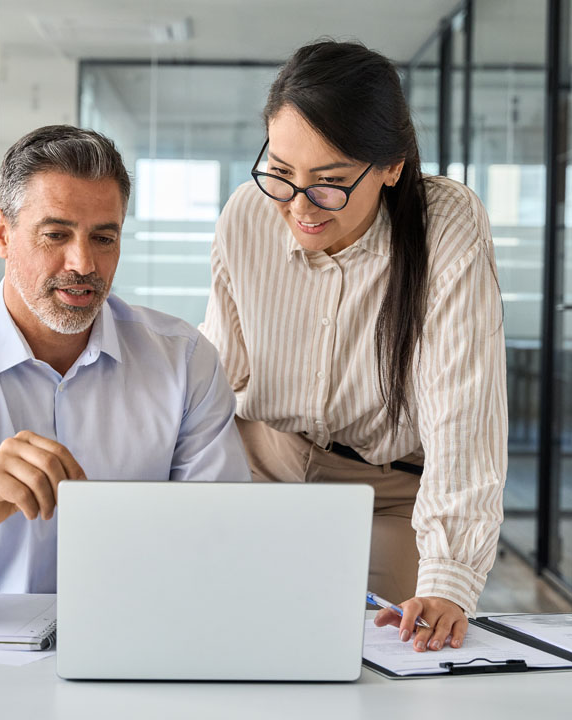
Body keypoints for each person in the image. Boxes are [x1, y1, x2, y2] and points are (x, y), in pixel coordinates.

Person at [0, 125, 249, 613]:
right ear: (4, 234)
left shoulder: (185, 362)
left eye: (104, 238)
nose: (83, 262)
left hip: (139, 635)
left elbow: (222, 538)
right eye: (56, 234)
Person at [200, 40, 506, 653]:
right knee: (231, 645)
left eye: (330, 183)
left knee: (375, 660)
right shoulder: (247, 214)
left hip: (386, 496)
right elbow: (215, 372)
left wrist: (449, 577)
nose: (298, 206)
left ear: (391, 166)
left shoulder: (446, 223)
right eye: (282, 174)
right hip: (261, 470)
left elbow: (462, 411)